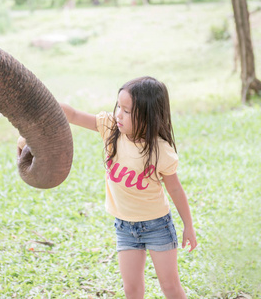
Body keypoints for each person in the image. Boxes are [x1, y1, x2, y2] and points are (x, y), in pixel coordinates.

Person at [20, 76, 197, 298]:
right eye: (118, 107)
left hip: (157, 227)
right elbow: (73, 115)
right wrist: (47, 107)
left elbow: (176, 191)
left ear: (148, 116)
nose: (118, 114)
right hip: (125, 228)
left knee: (169, 286)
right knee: (131, 289)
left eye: (126, 110)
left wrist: (188, 226)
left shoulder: (160, 151)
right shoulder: (111, 128)